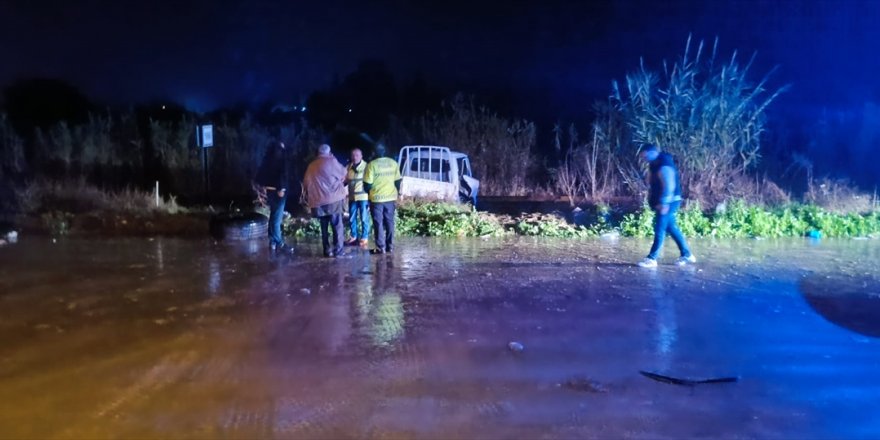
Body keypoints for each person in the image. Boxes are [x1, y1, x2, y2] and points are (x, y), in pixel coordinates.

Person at [637, 144, 696, 268]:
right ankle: (687, 254)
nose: (644, 158)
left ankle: (652, 258)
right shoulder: (655, 163)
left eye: (645, 155)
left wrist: (664, 203)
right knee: (671, 228)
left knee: (660, 228)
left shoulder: (664, 164)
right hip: (666, 201)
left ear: (652, 152)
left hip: (669, 202)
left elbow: (669, 185)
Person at [303, 144, 349, 258]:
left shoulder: (311, 166)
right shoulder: (331, 161)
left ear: (318, 153)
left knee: (324, 226)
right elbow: (344, 173)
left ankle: (327, 250)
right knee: (337, 225)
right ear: (329, 152)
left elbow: (306, 183)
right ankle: (338, 250)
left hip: (318, 202)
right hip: (333, 200)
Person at [363, 143, 401, 255]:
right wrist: (396, 193)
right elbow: (398, 181)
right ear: (385, 151)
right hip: (390, 199)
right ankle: (390, 246)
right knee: (390, 222)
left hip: (377, 199)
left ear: (374, 153)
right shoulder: (393, 163)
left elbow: (367, 185)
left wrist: (369, 193)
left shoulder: (371, 165)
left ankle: (381, 248)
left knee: (378, 223)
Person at [255, 140, 291, 252]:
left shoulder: (267, 159)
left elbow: (260, 175)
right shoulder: (281, 160)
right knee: (276, 218)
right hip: (279, 192)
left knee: (273, 216)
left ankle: (272, 241)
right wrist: (281, 188)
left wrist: (263, 187)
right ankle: (279, 242)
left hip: (270, 191)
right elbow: (283, 174)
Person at [344, 148, 370, 247]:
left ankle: (364, 237)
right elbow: (345, 181)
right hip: (352, 198)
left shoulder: (366, 167)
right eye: (353, 155)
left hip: (363, 197)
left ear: (361, 156)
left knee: (364, 218)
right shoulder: (348, 167)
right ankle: (353, 236)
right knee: (351, 218)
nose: (355, 157)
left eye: (357, 155)